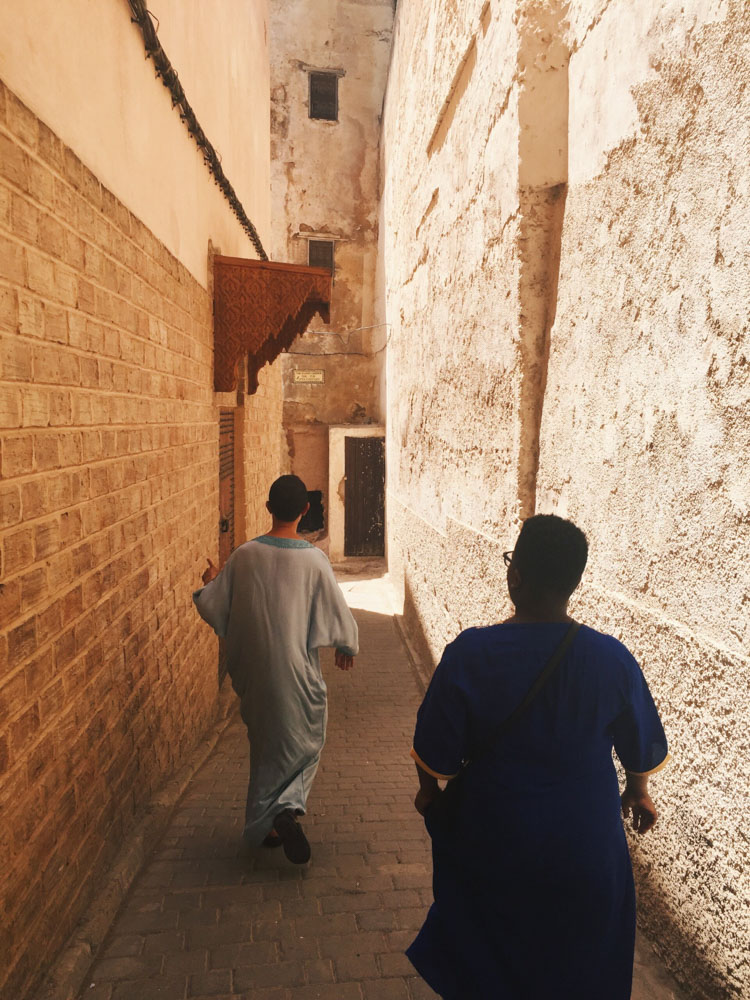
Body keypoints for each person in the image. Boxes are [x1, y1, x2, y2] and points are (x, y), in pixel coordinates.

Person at [407, 514, 669, 999]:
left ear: (516, 575)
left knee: (493, 967)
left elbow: (433, 756)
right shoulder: (612, 658)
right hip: (585, 851)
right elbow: (640, 747)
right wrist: (638, 793)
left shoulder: (470, 653)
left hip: (494, 846)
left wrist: (428, 800)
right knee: (578, 969)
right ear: (574, 582)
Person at [193, 474, 358, 864]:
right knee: (307, 741)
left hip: (254, 674)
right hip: (297, 673)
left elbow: (214, 601)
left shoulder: (244, 555)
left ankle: (265, 825)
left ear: (268, 509)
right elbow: (337, 610)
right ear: (305, 510)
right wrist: (345, 645)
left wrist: (210, 582)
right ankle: (285, 807)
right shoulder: (314, 560)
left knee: (266, 745)